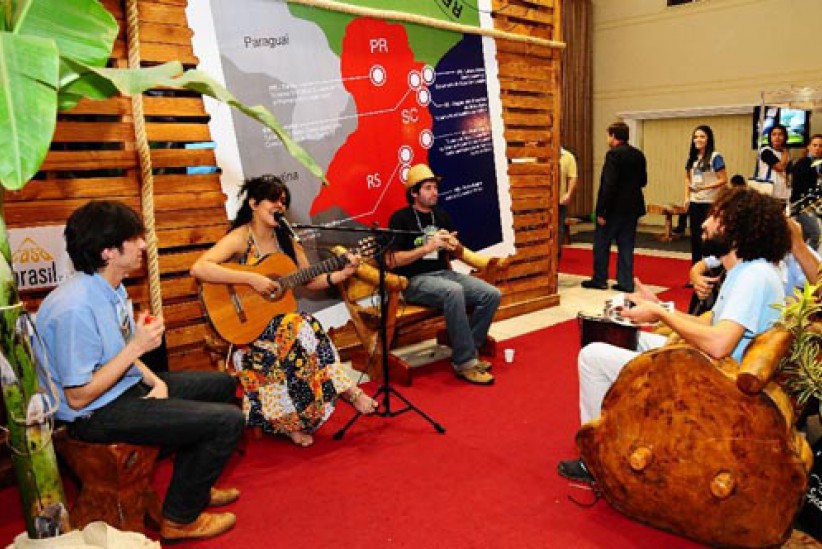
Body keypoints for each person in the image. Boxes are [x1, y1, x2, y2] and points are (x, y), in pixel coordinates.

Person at [36, 201, 244, 542]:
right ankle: (180, 519)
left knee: (220, 385)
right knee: (227, 421)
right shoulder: (75, 309)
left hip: (121, 389)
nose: (144, 245)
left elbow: (118, 353)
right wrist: (137, 346)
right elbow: (78, 397)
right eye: (134, 239)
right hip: (93, 414)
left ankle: (193, 486)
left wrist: (156, 380)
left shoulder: (112, 288)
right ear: (108, 252)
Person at [559, 187, 791, 483]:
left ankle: (596, 461)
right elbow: (712, 327)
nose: (705, 223)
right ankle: (617, 437)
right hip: (712, 366)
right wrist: (660, 307)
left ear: (737, 229)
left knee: (591, 356)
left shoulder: (753, 277)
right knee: (624, 338)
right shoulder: (747, 270)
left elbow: (719, 344)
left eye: (716, 217)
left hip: (714, 380)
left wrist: (661, 314)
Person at [190, 175, 377, 448]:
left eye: (284, 201)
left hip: (283, 327)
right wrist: (252, 279)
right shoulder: (242, 237)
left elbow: (310, 281)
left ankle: (296, 422)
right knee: (302, 325)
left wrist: (342, 273)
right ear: (254, 203)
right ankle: (349, 392)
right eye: (273, 200)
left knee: (301, 330)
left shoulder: (288, 242)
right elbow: (199, 268)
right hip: (249, 329)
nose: (280, 205)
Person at [386, 163, 501, 385]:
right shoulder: (400, 219)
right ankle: (465, 362)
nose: (434, 192)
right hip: (413, 281)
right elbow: (392, 260)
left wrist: (454, 245)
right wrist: (427, 248)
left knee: (491, 294)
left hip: (444, 275)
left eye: (435, 188)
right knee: (453, 291)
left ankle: (470, 348)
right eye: (428, 188)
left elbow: (456, 253)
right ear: (414, 193)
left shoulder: (441, 216)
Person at [581, 121, 647, 292]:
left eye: (608, 135)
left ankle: (600, 279)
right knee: (626, 246)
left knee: (602, 244)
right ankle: (625, 282)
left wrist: (601, 211)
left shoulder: (613, 155)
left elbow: (608, 184)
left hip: (613, 209)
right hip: (632, 208)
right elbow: (643, 181)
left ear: (613, 136)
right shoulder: (638, 154)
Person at [683, 125, 728, 264]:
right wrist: (687, 197)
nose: (698, 139)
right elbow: (687, 177)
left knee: (710, 236)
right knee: (695, 237)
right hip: (695, 202)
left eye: (702, 137)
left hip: (710, 202)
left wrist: (704, 187)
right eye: (696, 137)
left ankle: (711, 268)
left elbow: (723, 179)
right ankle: (695, 267)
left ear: (708, 139)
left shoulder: (715, 157)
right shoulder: (692, 158)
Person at [790, 133, 822, 251]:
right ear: (808, 146)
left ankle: (796, 259)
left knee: (803, 237)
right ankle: (809, 259)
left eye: (820, 146)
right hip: (803, 206)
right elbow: (798, 187)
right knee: (816, 235)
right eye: (815, 145)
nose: (817, 148)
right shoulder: (802, 164)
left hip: (814, 205)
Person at [753, 123, 792, 204]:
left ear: (785, 137)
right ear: (770, 137)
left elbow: (788, 173)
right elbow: (780, 167)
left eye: (780, 134)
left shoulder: (787, 154)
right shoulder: (766, 151)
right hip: (768, 192)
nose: (777, 137)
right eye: (774, 134)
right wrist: (785, 152)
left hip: (783, 192)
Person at [558, 147, 579, 259]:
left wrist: (569, 193)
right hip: (539, 201)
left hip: (559, 200)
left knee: (559, 228)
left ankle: (556, 254)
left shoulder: (568, 157)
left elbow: (573, 177)